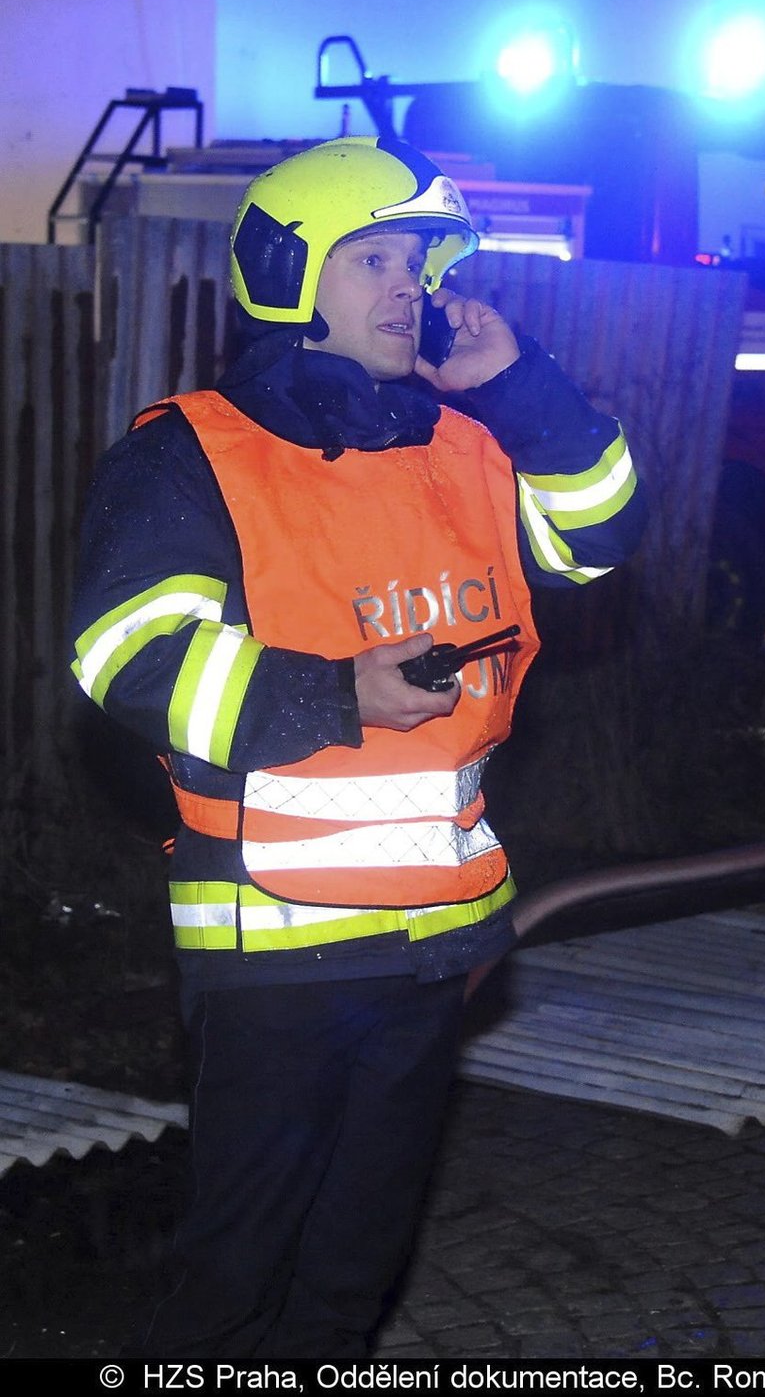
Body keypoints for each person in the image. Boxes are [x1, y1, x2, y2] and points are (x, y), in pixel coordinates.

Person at [69, 135, 647, 1358]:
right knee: (240, 1274)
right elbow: (128, 652)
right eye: (376, 257)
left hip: (436, 940)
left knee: (354, 1268)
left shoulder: (469, 444)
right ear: (290, 274)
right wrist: (332, 697)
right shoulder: (190, 454)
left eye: (423, 263)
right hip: (273, 947)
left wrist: (523, 383)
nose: (413, 289)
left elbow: (601, 532)